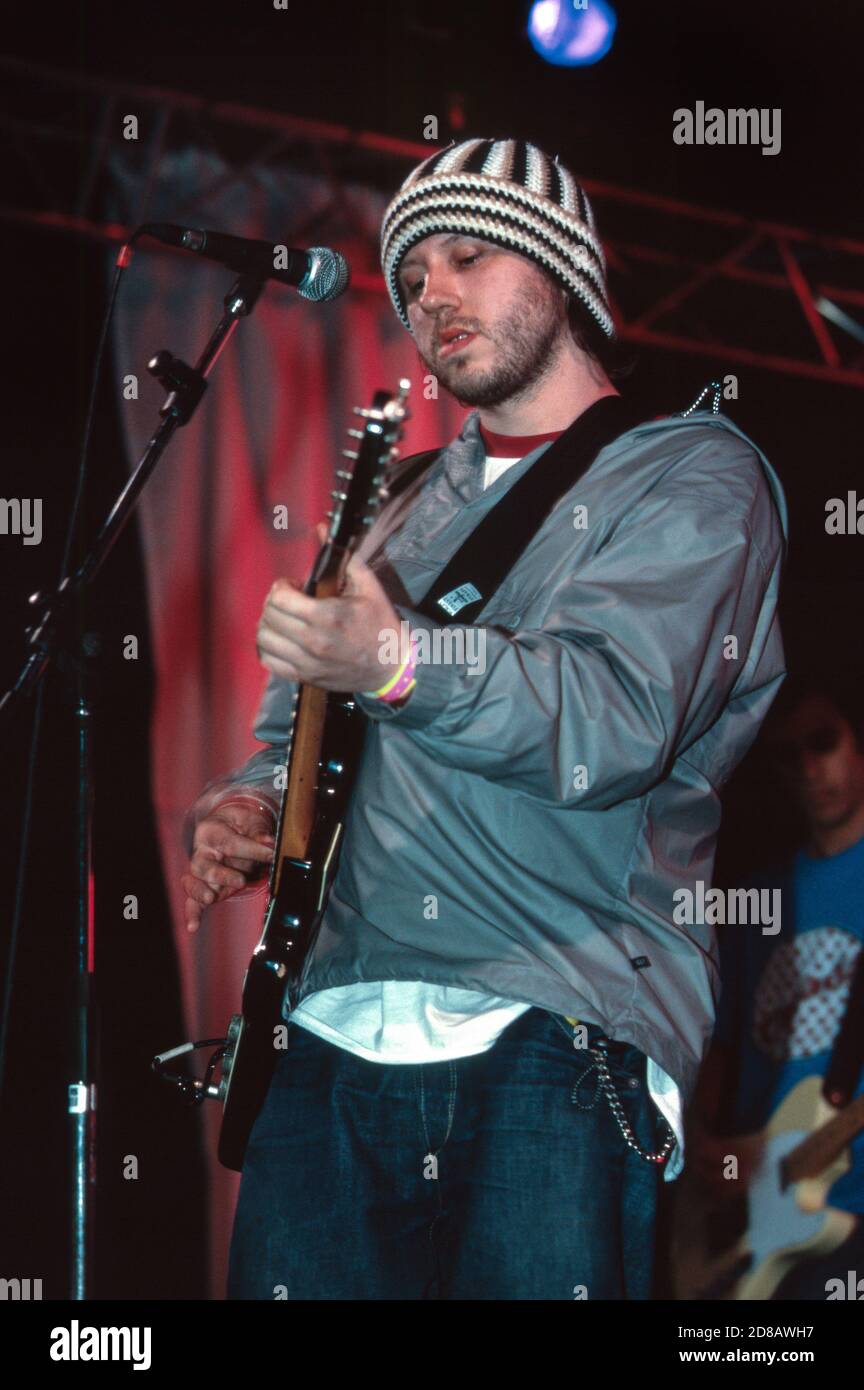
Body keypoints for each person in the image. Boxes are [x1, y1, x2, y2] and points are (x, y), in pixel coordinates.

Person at [180, 137, 788, 1300]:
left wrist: (401, 659)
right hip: (329, 1031)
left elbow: (614, 718)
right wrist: (253, 800)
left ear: (565, 271)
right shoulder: (391, 504)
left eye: (466, 256)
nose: (430, 297)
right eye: (411, 279)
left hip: (553, 1029)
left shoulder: (692, 476)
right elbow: (294, 727)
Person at [688, 671, 864, 1299]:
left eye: (823, 742)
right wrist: (707, 1137)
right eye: (788, 754)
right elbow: (724, 1041)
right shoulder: (759, 899)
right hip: (754, 1209)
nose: (809, 768)